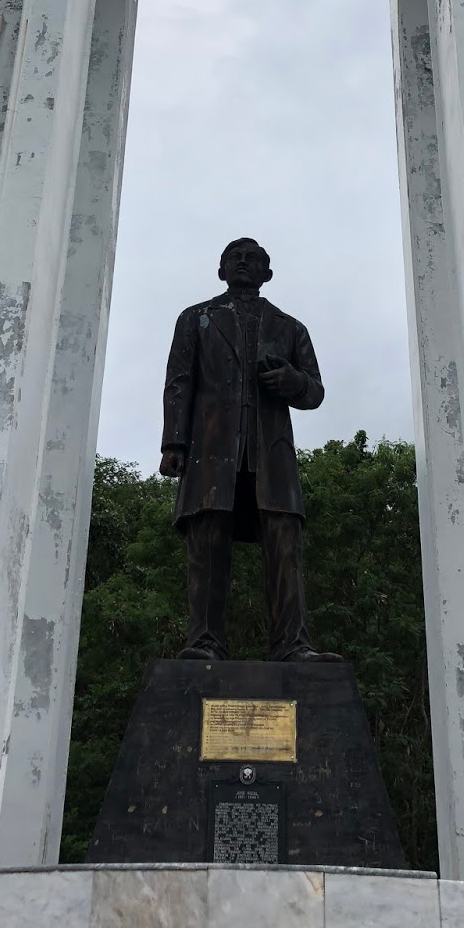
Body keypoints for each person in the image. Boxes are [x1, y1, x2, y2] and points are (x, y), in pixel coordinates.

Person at [159, 237, 340, 662]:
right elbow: (179, 383)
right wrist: (174, 443)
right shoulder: (195, 318)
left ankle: (293, 645)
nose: (243, 262)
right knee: (207, 547)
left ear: (267, 273)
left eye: (253, 259)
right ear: (221, 270)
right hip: (210, 453)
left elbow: (314, 391)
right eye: (234, 258)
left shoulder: (290, 327)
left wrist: (291, 381)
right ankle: (204, 642)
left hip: (270, 457)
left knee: (285, 547)